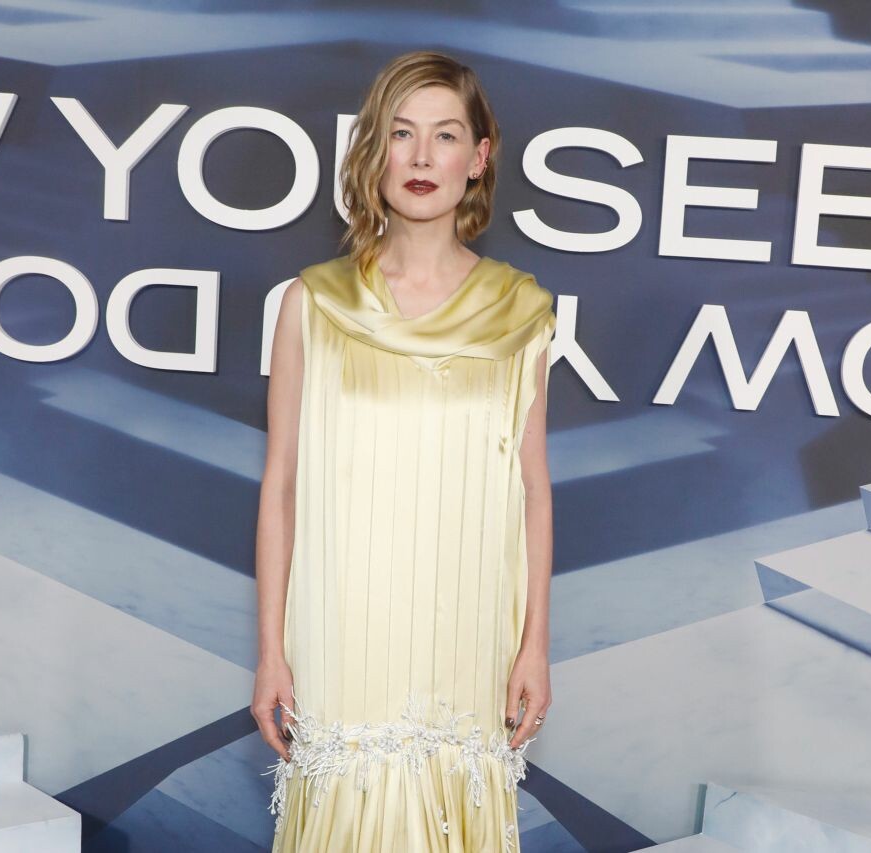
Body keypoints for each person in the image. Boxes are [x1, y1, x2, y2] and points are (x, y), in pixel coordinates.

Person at [252, 49, 556, 852]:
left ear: (478, 157)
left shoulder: (521, 311)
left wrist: (534, 644)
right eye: (401, 133)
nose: (422, 157)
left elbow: (532, 487)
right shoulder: (312, 303)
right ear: (374, 150)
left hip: (467, 632)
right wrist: (271, 653)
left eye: (445, 135)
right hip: (344, 628)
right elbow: (281, 485)